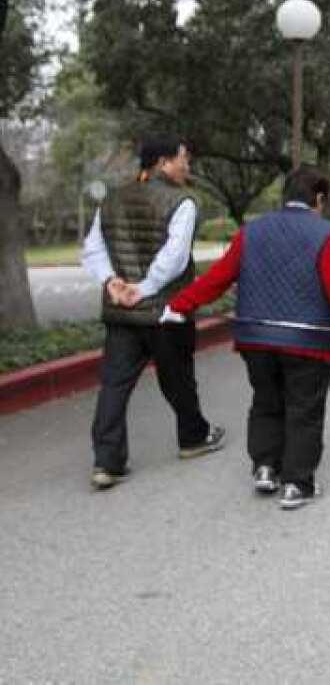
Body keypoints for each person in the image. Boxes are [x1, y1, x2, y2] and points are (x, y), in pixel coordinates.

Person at [161, 166, 330, 510]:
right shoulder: (325, 234)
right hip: (307, 343)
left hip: (255, 338)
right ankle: (297, 484)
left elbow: (218, 278)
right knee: (304, 409)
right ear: (319, 198)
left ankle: (265, 466)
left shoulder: (252, 231)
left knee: (266, 401)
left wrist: (178, 305)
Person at [81, 134, 224, 490]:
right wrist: (143, 289)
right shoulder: (183, 201)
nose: (187, 167)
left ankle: (107, 462)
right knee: (178, 378)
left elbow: (92, 249)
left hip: (121, 313)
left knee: (114, 385)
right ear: (162, 162)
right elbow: (174, 259)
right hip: (166, 311)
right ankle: (193, 438)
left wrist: (112, 282)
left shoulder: (112, 199)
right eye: (183, 159)